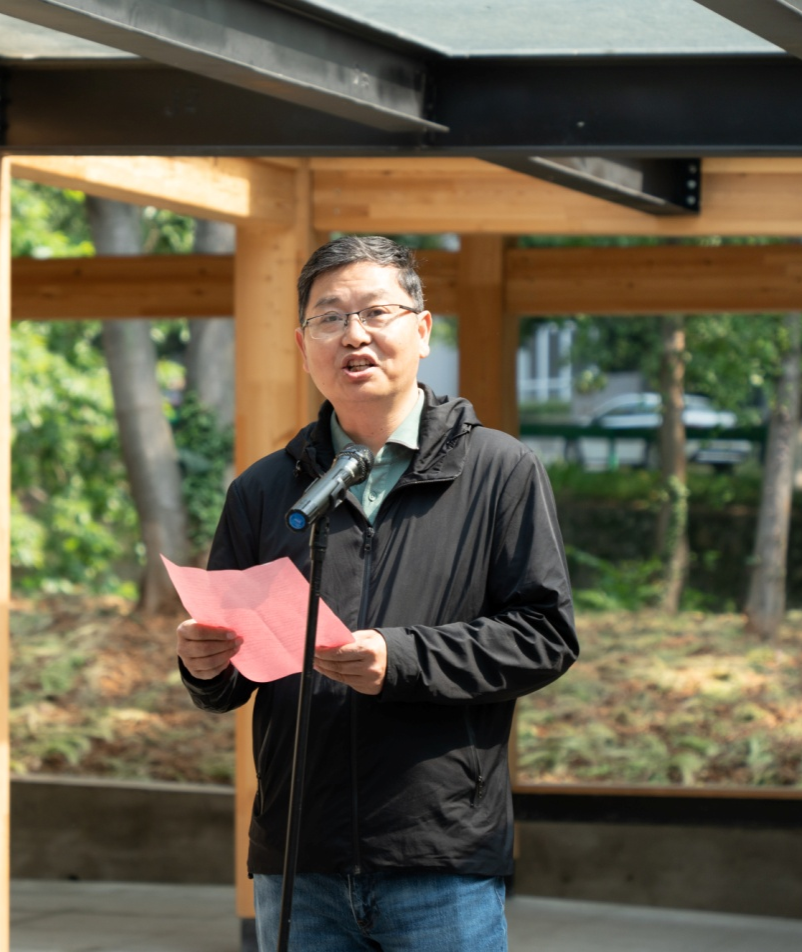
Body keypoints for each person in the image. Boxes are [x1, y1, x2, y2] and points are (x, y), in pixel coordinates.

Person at [177, 236, 578, 951]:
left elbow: (543, 635)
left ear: (422, 331)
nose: (353, 335)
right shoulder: (263, 490)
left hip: (439, 856)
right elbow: (232, 678)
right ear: (303, 346)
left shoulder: (499, 470)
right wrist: (205, 666)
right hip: (299, 858)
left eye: (374, 313)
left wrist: (402, 659)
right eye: (329, 318)